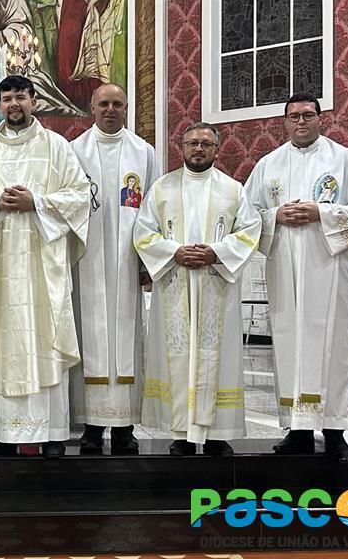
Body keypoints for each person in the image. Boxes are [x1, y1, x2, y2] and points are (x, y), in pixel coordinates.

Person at [243, 93, 348, 462]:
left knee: (334, 346)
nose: (300, 122)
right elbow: (247, 214)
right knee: (289, 344)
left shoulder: (345, 160)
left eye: (308, 115)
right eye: (293, 116)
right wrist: (276, 218)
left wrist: (322, 212)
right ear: (283, 122)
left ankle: (336, 431)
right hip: (285, 269)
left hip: (329, 269)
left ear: (321, 118)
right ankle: (298, 431)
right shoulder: (268, 164)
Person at [0, 76, 90, 458]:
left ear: (35, 100)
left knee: (43, 337)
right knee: (0, 340)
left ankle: (51, 433)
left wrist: (38, 202)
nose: (13, 104)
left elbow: (80, 196)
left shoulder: (56, 147)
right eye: (6, 98)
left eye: (20, 97)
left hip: (41, 265)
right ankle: (0, 432)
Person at [133, 123, 261, 456]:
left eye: (206, 143)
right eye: (193, 143)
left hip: (215, 284)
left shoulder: (232, 190)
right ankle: (180, 434)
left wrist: (215, 252)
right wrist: (173, 252)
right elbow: (143, 232)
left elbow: (250, 231)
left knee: (216, 357)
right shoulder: (162, 188)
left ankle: (217, 434)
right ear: (182, 146)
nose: (199, 149)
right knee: (176, 356)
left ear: (217, 149)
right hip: (175, 282)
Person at [69, 84, 155, 455]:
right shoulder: (74, 152)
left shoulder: (144, 153)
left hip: (127, 260)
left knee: (126, 339)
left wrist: (149, 261)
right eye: (103, 103)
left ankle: (124, 427)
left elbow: (153, 210)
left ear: (126, 108)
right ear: (91, 107)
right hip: (85, 261)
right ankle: (90, 426)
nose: (110, 109)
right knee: (89, 339)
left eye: (117, 104)